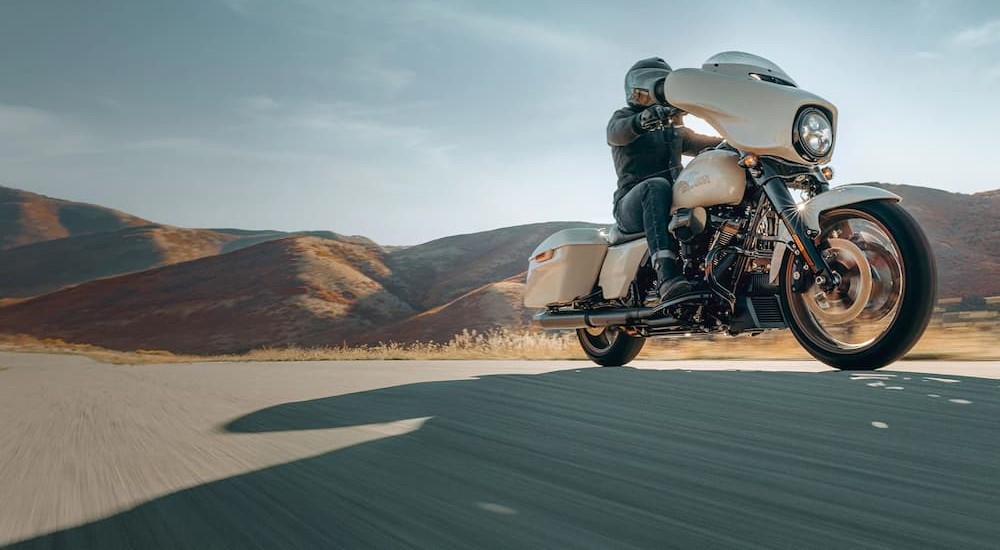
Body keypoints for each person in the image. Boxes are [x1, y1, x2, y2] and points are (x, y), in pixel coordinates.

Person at [607, 57, 723, 302]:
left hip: (669, 203)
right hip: (631, 207)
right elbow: (618, 133)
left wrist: (736, 140)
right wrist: (643, 119)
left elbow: (703, 143)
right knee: (656, 186)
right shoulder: (624, 118)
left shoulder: (673, 127)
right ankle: (667, 277)